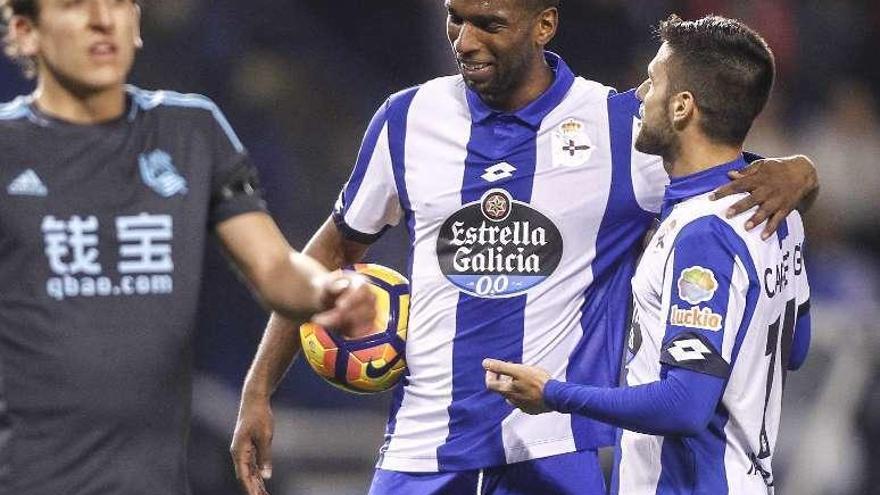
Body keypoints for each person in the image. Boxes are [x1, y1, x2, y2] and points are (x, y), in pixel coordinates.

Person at [231, 1, 819, 494]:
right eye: (454, 19)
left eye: (489, 23)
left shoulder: (620, 130)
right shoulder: (406, 120)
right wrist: (258, 390)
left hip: (554, 452)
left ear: (544, 26)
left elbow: (718, 178)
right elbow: (328, 255)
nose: (465, 40)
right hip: (421, 448)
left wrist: (800, 174)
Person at [0, 1, 375, 494]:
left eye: (118, 3)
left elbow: (275, 267)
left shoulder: (191, 133)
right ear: (26, 33)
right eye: (75, 5)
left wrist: (327, 290)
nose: (102, 19)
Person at [485, 14, 810, 494]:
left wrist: (552, 393)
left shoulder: (702, 233)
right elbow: (795, 348)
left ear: (682, 107)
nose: (639, 94)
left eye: (652, 80)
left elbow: (685, 404)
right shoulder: (779, 213)